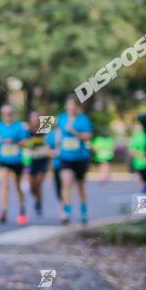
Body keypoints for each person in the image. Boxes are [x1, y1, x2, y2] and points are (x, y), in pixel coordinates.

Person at [56, 96, 94, 225]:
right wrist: (56, 146)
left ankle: (83, 210)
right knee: (66, 182)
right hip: (65, 157)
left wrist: (75, 132)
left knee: (79, 185)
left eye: (73, 105)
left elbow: (88, 136)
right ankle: (67, 211)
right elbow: (58, 134)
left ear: (77, 107)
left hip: (80, 157)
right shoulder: (62, 119)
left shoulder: (83, 119)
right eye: (68, 105)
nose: (70, 108)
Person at [0, 104, 29, 225]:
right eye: (5, 114)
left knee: (18, 186)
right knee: (4, 184)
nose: (7, 116)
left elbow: (26, 143)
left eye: (9, 114)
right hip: (4, 160)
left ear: (13, 114)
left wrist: (14, 142)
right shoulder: (0, 126)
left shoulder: (19, 126)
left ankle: (22, 209)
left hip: (17, 160)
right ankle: (4, 211)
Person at [25, 112, 51, 216]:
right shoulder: (28, 131)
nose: (34, 120)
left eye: (36, 118)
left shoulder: (45, 129)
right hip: (32, 161)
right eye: (32, 118)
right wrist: (28, 145)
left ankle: (39, 202)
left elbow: (50, 143)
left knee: (39, 182)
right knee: (32, 187)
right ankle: (38, 199)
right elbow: (24, 143)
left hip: (43, 160)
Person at [129, 122, 146, 193]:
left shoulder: (144, 136)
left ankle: (145, 189)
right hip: (139, 161)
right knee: (143, 177)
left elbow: (131, 150)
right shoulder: (136, 137)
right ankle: (145, 189)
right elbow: (131, 150)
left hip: (143, 161)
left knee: (145, 177)